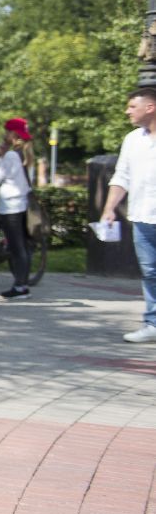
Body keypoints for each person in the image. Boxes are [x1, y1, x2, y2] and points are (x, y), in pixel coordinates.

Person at [103, 88, 156, 342]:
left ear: (150, 107)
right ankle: (153, 324)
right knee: (149, 271)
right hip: (143, 216)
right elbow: (121, 176)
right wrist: (109, 207)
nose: (127, 111)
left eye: (132, 106)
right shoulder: (132, 140)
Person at [0, 118, 35, 301]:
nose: (4, 135)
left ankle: (20, 287)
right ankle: (22, 283)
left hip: (10, 206)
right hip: (22, 204)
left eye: (7, 132)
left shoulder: (10, 156)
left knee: (16, 247)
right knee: (22, 246)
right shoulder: (27, 154)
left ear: (13, 135)